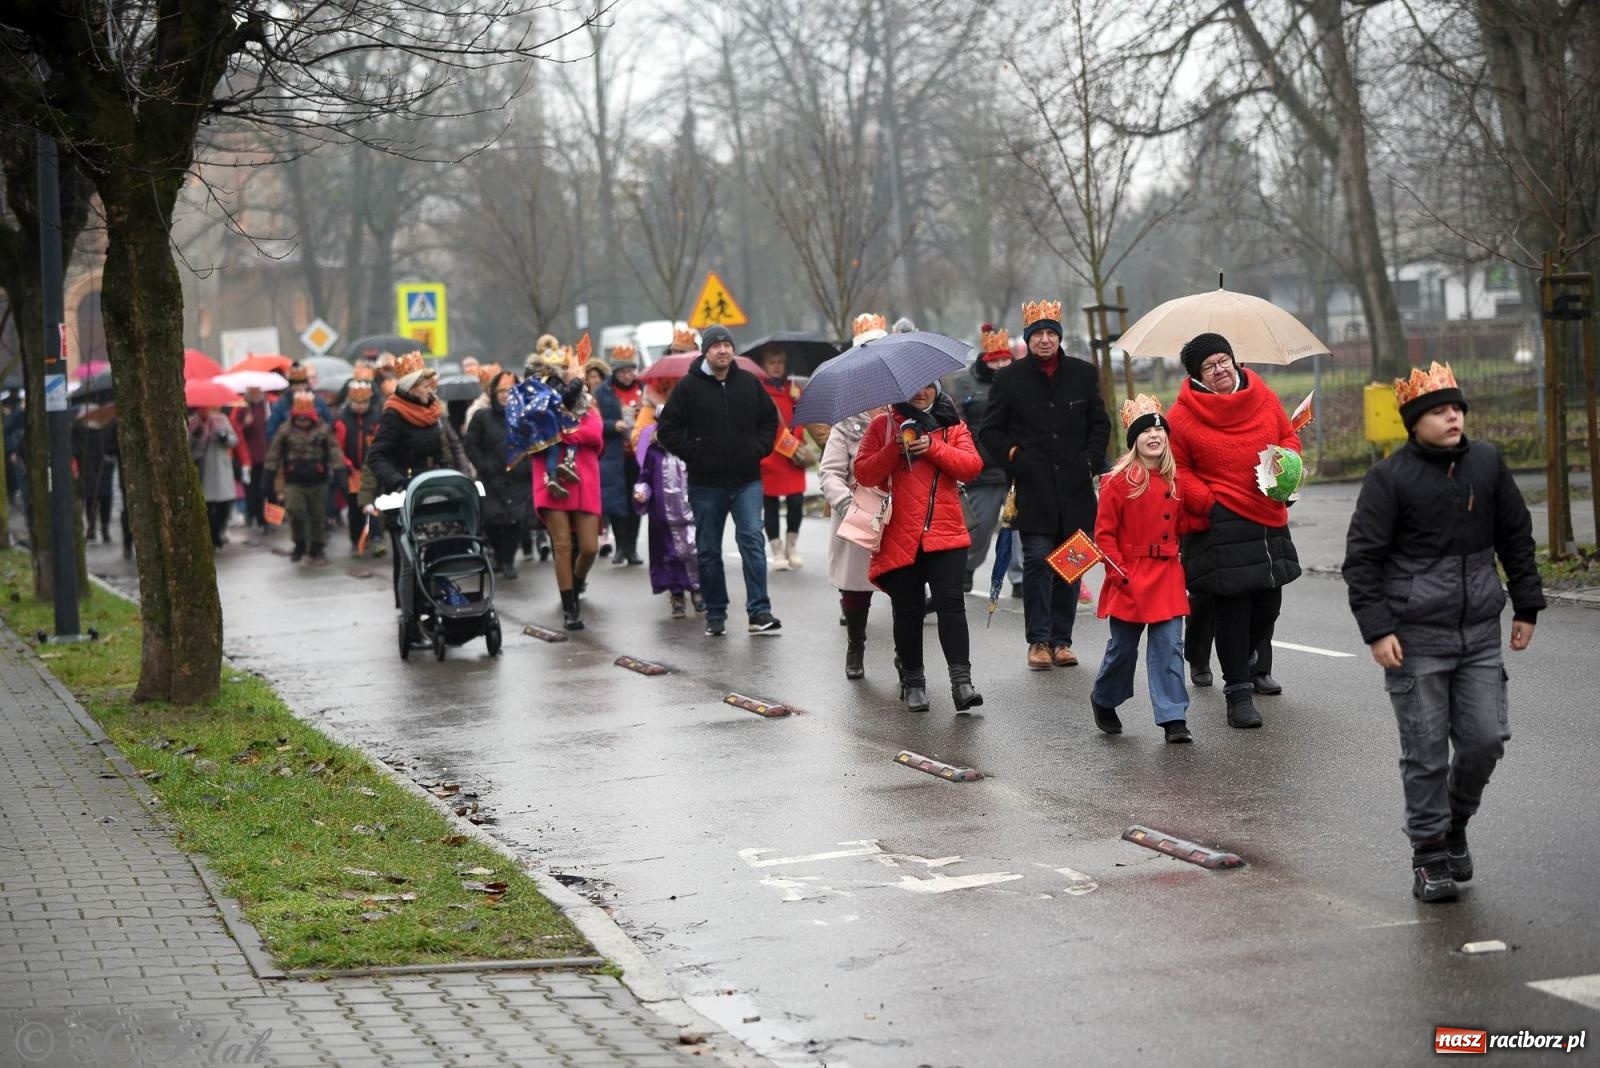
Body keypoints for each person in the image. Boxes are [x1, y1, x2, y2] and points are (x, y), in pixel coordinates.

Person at [1343, 362, 1543, 903]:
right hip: (1414, 639)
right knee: (1425, 752)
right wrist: (1378, 629)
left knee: (1485, 741)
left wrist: (1527, 605)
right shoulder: (1389, 479)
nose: (1452, 416)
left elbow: (1516, 537)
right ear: (1413, 422)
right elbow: (1363, 561)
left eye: (1456, 408)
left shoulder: (1487, 463)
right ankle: (1430, 855)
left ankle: (1453, 823)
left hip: (1479, 632)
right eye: (1438, 410)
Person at [1167, 332, 1300, 729]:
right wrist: (1208, 501)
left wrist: (1287, 467)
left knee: (1268, 605)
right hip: (1220, 521)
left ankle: (1245, 659)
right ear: (1197, 376)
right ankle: (1238, 695)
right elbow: (1178, 468)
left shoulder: (1264, 396)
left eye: (1224, 359)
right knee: (1232, 610)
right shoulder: (1182, 416)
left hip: (1267, 511)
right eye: (1210, 366)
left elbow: (1287, 436)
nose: (1220, 369)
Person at [978, 299, 1111, 671]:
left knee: (1071, 563)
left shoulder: (1083, 374)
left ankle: (1061, 640)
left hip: (1075, 488)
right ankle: (1038, 640)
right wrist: (1015, 456)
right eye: (1038, 334)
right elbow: (989, 430)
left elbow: (1100, 424)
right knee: (1037, 560)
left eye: (1052, 333)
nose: (1046, 340)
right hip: (1032, 488)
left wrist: (1088, 458)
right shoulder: (1009, 380)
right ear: (1028, 339)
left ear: (1060, 337)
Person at [854, 381, 985, 712]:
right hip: (899, 535)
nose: (919, 392)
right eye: (912, 387)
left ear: (937, 389)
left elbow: (972, 467)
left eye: (927, 386)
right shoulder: (882, 425)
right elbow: (864, 473)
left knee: (951, 605)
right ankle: (913, 682)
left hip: (946, 531)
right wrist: (893, 450)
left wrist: (932, 448)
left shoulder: (951, 423)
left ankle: (962, 683)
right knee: (909, 611)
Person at [656, 324, 782, 637]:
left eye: (727, 345)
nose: (723, 350)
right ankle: (715, 611)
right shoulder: (688, 387)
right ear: (706, 351)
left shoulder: (749, 383)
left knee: (752, 540)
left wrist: (758, 448)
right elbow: (667, 429)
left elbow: (770, 420)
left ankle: (759, 611)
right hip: (705, 484)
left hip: (746, 481)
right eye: (716, 346)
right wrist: (694, 454)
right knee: (709, 549)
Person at [1088, 395, 1200, 743]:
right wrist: (1118, 573)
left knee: (1169, 647)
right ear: (1134, 439)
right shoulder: (1116, 482)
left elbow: (1187, 522)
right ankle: (1104, 698)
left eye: (1159, 430)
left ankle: (1173, 717)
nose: (1154, 435)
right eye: (1145, 431)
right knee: (1123, 650)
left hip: (1167, 572)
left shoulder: (1177, 480)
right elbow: (1104, 535)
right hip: (1129, 573)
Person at [818, 314, 892, 680]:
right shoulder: (846, 422)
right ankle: (856, 645)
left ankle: (907, 660)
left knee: (905, 592)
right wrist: (847, 503)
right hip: (858, 513)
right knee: (856, 590)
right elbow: (828, 473)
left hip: (900, 514)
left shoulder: (907, 411)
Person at [368, 353, 471, 606]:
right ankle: (409, 617)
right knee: (408, 562)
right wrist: (397, 481)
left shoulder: (432, 411)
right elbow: (376, 456)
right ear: (412, 388)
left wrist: (452, 475)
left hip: (432, 488)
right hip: (404, 490)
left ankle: (439, 604)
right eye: (425, 385)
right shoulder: (394, 414)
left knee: (439, 550)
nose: (430, 389)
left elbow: (442, 451)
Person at [531, 363, 603, 629]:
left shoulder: (588, 408)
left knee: (589, 547)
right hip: (550, 481)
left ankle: (577, 579)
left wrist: (567, 433)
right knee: (562, 545)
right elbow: (532, 439)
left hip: (584, 480)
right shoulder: (538, 409)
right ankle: (570, 607)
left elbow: (595, 435)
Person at [952, 323, 1014, 593]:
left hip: (1015, 466)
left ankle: (1021, 578)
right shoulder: (966, 382)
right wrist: (971, 454)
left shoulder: (1020, 379)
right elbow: (958, 421)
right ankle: (966, 567)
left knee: (1020, 529)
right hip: (982, 468)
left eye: (1005, 359)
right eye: (996, 360)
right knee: (980, 526)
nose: (1001, 365)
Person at [464, 368, 534, 579]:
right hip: (490, 478)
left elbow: (536, 444)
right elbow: (471, 446)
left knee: (514, 521)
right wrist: (485, 467)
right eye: (501, 390)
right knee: (492, 519)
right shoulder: (481, 417)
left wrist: (528, 468)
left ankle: (507, 561)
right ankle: (497, 553)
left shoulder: (526, 416)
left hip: (518, 478)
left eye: (510, 390)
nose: (506, 394)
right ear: (493, 393)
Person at [633, 411, 703, 618]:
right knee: (670, 556)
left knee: (695, 552)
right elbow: (644, 477)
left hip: (691, 513)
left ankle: (698, 590)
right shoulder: (653, 454)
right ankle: (677, 595)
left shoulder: (690, 449)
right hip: (663, 516)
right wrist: (642, 492)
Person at [265, 392, 346, 564]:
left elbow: (335, 451)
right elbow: (274, 453)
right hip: (294, 480)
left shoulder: (323, 430)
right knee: (296, 511)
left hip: (318, 479)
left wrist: (340, 473)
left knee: (318, 514)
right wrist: (268, 475)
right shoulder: (285, 429)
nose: (303, 421)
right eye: (300, 418)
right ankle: (299, 543)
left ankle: (317, 546)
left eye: (306, 418)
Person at [755, 343, 809, 571]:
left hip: (793, 454)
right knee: (771, 505)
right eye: (771, 362)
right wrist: (782, 442)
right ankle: (776, 549)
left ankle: (791, 545)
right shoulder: (758, 389)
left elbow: (802, 417)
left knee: (796, 502)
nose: (776, 367)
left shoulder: (794, 388)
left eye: (780, 362)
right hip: (770, 454)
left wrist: (795, 440)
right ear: (764, 365)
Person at [596, 348, 645, 566]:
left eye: (631, 371)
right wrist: (611, 425)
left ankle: (632, 548)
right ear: (615, 372)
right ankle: (621, 546)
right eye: (623, 371)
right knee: (616, 502)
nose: (628, 375)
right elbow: (594, 422)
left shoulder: (644, 389)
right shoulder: (603, 392)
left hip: (638, 454)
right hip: (614, 455)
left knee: (637, 500)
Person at [334, 372, 381, 556]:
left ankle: (376, 538)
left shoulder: (376, 419)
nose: (360, 406)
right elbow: (338, 446)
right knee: (355, 509)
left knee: (374, 504)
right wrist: (346, 465)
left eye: (364, 402)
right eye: (357, 402)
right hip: (351, 471)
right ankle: (356, 540)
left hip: (372, 470)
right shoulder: (342, 420)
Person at [188, 405, 239, 549]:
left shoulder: (221, 419)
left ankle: (221, 529)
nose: (204, 411)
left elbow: (234, 440)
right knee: (208, 507)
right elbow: (188, 447)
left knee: (224, 504)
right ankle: (214, 536)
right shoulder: (192, 422)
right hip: (203, 469)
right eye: (201, 409)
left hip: (221, 468)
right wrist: (195, 436)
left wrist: (225, 438)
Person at [232, 386, 271, 531]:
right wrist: (245, 425)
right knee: (251, 489)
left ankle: (263, 519)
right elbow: (236, 431)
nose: (255, 395)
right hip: (248, 457)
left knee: (263, 489)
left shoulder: (265, 406)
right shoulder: (241, 409)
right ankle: (253, 515)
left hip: (263, 454)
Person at [72, 414, 115, 543]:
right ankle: (93, 528)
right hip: (88, 465)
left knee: (104, 497)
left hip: (103, 465)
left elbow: (113, 444)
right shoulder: (78, 426)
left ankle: (103, 528)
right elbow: (74, 445)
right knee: (91, 497)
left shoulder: (108, 424)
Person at [266, 362, 333, 440]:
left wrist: (320, 437)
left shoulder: (318, 401)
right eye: (296, 385)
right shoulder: (282, 404)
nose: (300, 388)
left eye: (303, 384)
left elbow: (329, 422)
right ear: (291, 386)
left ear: (307, 384)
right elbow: (271, 430)